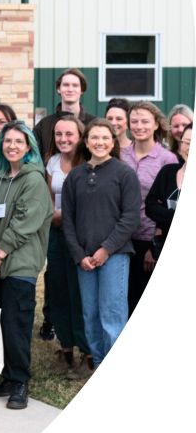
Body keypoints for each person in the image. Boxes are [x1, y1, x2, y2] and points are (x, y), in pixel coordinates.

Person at [0, 122, 53, 410]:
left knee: (16, 324)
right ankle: (8, 377)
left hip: (19, 264)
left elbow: (24, 224)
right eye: (7, 141)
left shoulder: (33, 179)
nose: (12, 146)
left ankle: (20, 381)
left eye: (18, 141)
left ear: (29, 146)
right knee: (1, 322)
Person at [61, 119, 141, 369]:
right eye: (94, 137)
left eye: (105, 138)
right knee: (91, 314)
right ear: (86, 142)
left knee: (112, 313)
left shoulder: (124, 173)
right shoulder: (75, 176)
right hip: (84, 258)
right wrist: (79, 254)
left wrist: (106, 249)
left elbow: (131, 218)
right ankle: (97, 362)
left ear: (113, 141)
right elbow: (68, 220)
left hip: (114, 255)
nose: (100, 142)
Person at [44, 114, 91, 374]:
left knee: (79, 294)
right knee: (59, 290)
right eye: (59, 134)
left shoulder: (88, 163)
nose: (63, 139)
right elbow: (51, 198)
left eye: (69, 134)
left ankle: (86, 351)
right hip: (57, 234)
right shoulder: (52, 162)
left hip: (83, 238)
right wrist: (54, 217)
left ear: (80, 136)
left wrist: (64, 216)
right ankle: (65, 349)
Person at [120, 101, 175, 316]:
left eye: (145, 121)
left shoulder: (167, 159)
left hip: (149, 239)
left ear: (155, 124)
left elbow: (165, 206)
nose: (139, 126)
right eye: (134, 121)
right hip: (122, 238)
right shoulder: (120, 155)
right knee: (124, 297)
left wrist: (155, 245)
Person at [146, 123, 189, 261]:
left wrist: (164, 214)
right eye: (186, 142)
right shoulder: (168, 171)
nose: (190, 147)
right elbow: (150, 206)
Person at [34, 68, 94, 160]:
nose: (70, 89)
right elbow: (34, 159)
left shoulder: (93, 124)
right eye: (66, 85)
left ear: (81, 90)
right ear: (59, 89)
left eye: (75, 85)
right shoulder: (44, 125)